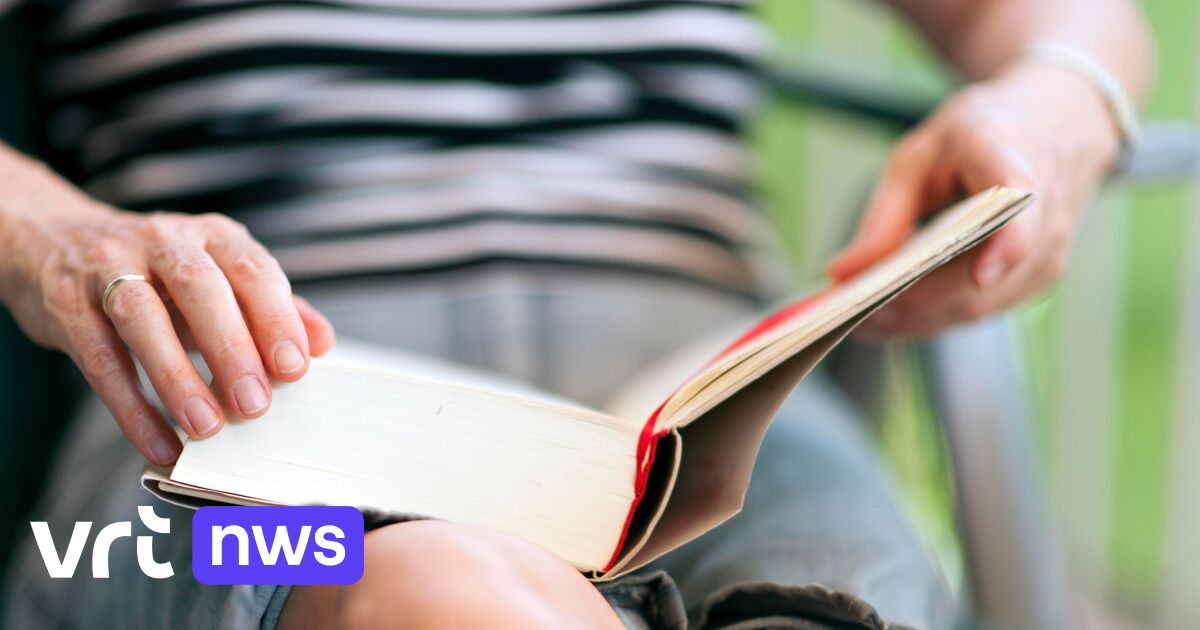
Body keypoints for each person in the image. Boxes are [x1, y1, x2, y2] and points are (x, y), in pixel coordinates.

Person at [0, 0, 1152, 628]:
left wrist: (1055, 105)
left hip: (701, 400)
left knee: (824, 605)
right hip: (240, 412)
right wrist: (49, 230)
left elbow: (1065, 20)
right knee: (449, 602)